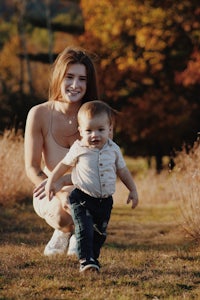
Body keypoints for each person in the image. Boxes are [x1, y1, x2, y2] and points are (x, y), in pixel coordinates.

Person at [45, 100, 139, 273]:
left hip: (105, 201)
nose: (94, 135)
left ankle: (92, 259)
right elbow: (63, 166)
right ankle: (86, 260)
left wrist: (132, 190)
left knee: (100, 233)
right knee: (84, 228)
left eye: (100, 130)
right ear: (80, 131)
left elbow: (123, 171)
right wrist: (52, 181)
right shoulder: (79, 148)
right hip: (82, 198)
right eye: (88, 130)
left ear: (110, 130)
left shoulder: (114, 149)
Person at [24, 46, 99, 256]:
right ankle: (65, 230)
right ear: (59, 77)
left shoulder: (97, 116)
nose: (75, 85)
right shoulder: (38, 114)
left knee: (79, 202)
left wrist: (72, 189)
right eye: (69, 77)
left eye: (82, 79)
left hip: (86, 189)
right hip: (47, 188)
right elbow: (31, 167)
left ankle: (78, 234)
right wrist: (57, 190)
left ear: (89, 83)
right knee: (60, 213)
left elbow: (100, 166)